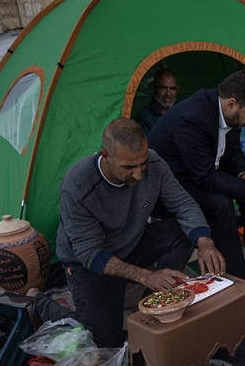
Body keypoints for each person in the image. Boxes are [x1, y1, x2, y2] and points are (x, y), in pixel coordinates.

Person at [35, 118, 226, 347]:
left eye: (142, 164)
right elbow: (90, 254)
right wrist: (146, 275)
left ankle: (151, 303)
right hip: (88, 263)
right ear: (105, 155)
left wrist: (205, 243)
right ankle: (39, 302)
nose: (138, 175)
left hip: (131, 242)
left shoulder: (154, 162)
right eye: (129, 167)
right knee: (102, 342)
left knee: (181, 231)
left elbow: (182, 203)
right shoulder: (77, 186)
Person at [147, 70, 245, 279]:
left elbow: (233, 151)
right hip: (169, 187)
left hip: (198, 172)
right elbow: (205, 178)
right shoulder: (195, 119)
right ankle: (236, 278)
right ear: (232, 103)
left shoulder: (229, 113)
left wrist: (244, 175)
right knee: (221, 203)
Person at [134, 68, 179, 133]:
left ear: (177, 89)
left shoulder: (183, 111)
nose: (168, 94)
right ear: (153, 87)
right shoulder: (144, 117)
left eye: (172, 88)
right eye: (163, 88)